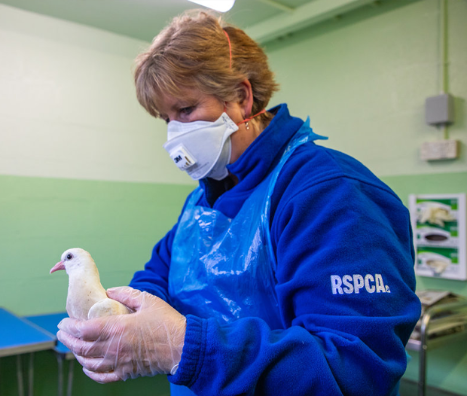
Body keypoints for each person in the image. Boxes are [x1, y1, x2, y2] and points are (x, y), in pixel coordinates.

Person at [56, 10, 421, 396]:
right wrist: (123, 314)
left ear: (242, 98)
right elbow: (160, 275)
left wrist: (182, 348)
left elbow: (353, 371)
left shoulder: (329, 194)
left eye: (186, 110)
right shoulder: (204, 198)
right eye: (167, 119)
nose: (177, 134)